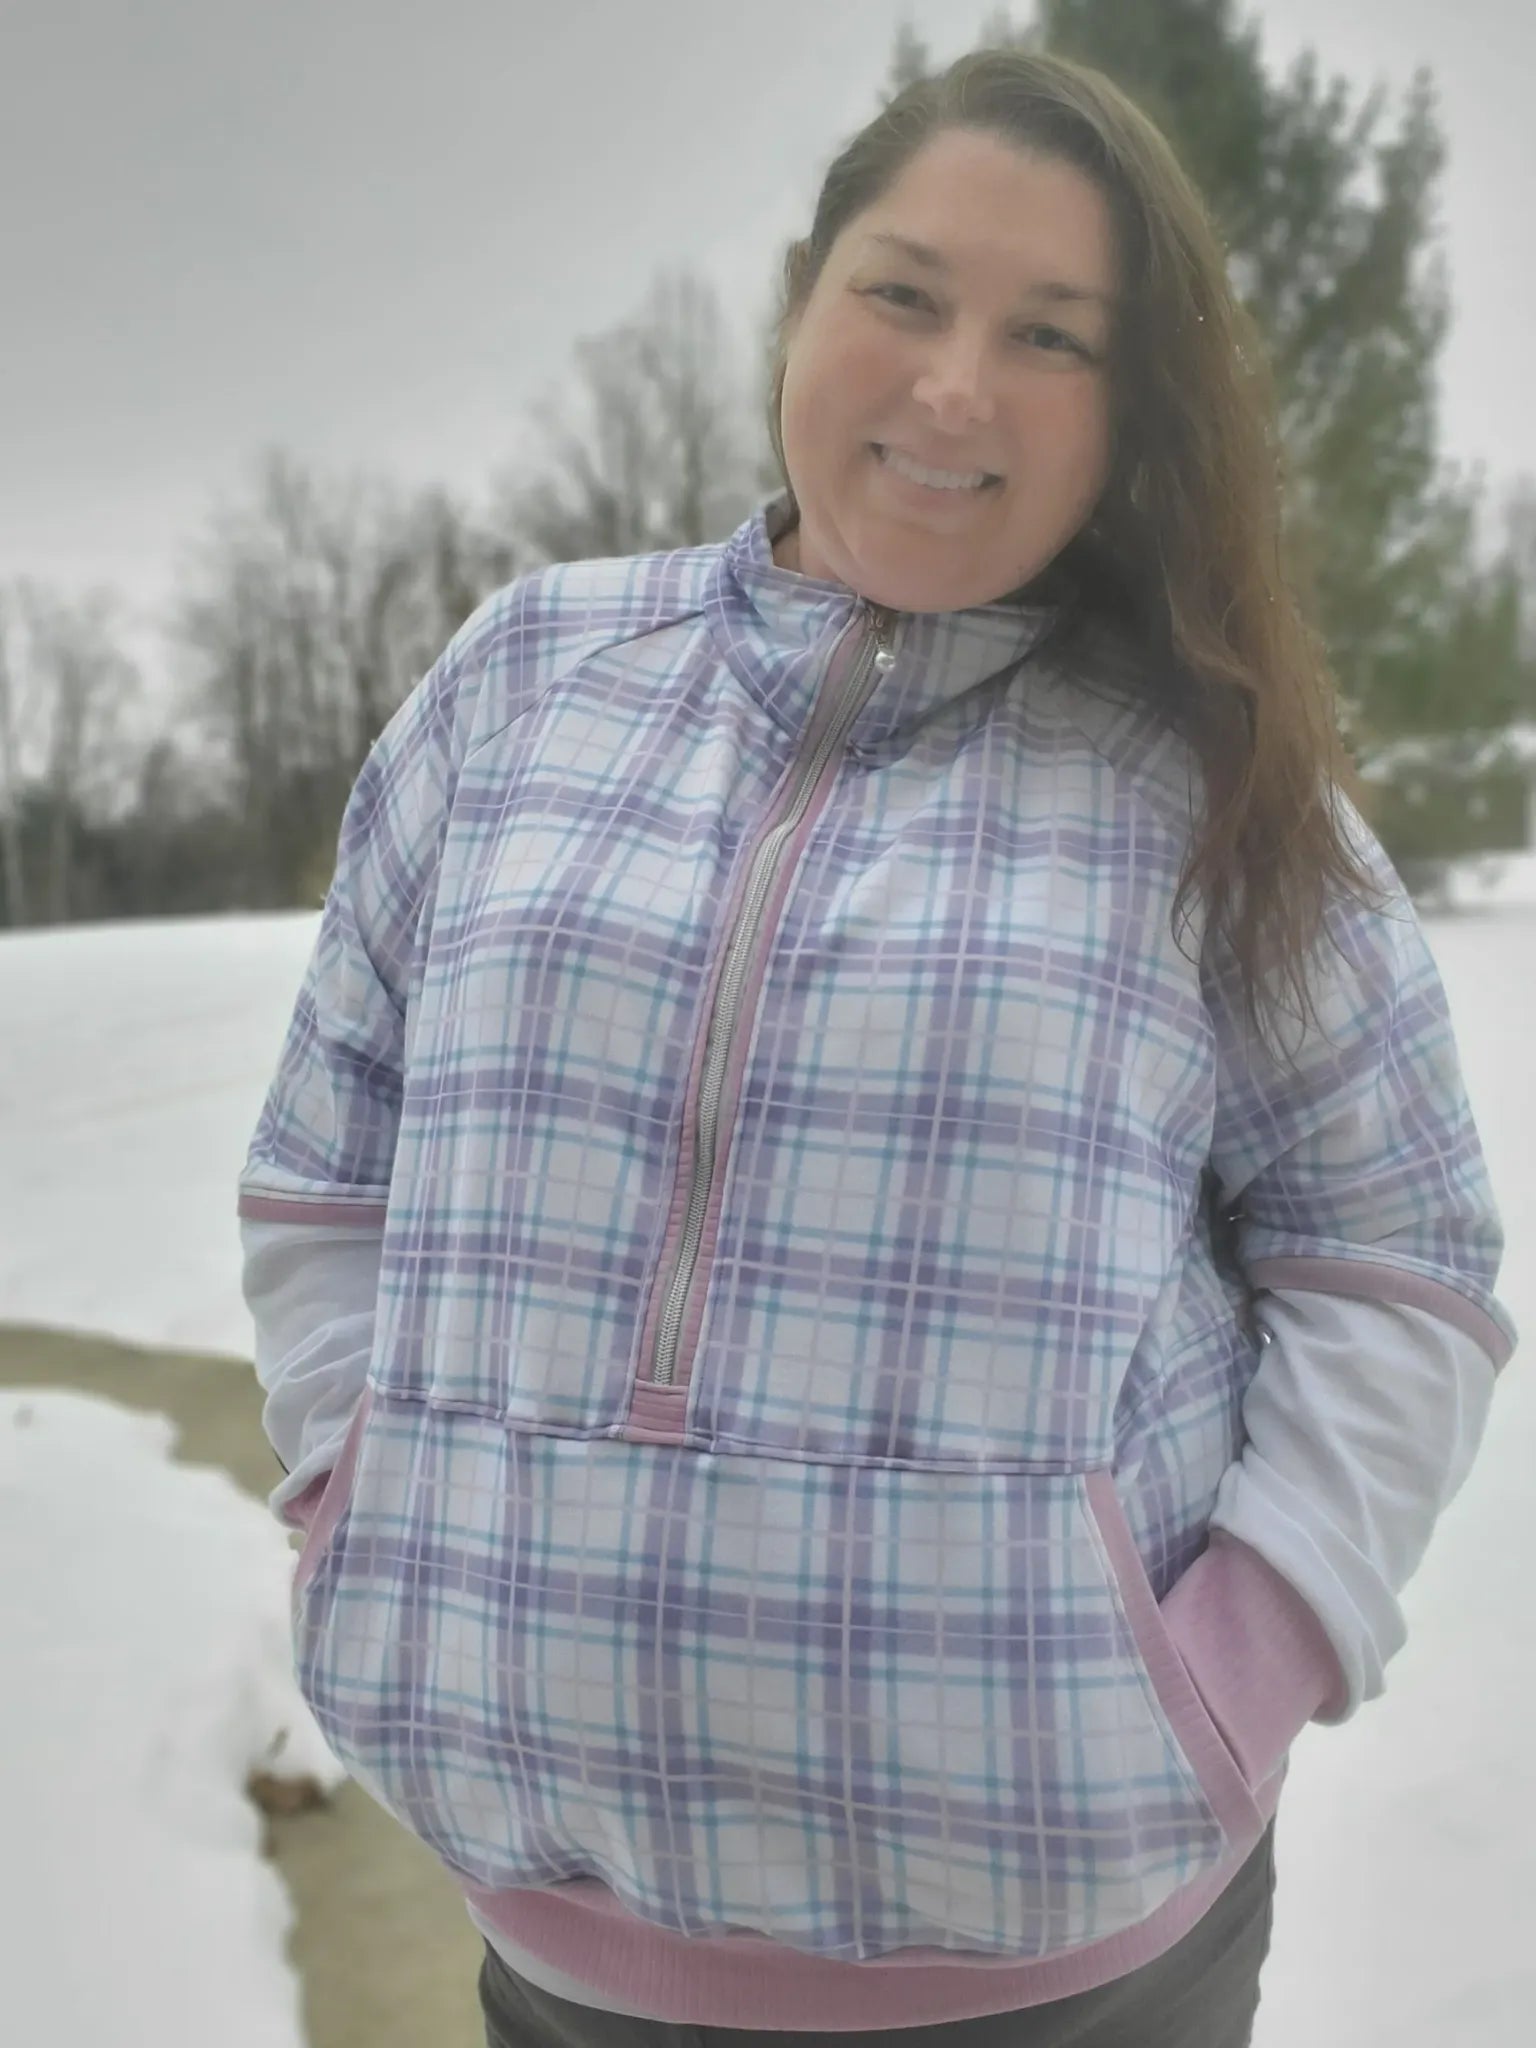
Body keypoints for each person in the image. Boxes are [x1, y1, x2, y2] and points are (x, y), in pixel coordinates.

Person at [240, 45, 1515, 2048]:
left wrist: (1226, 1668)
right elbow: (330, 1164)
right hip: (560, 1942)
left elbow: (1399, 1261)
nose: (955, 386)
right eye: (904, 294)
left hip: (1069, 1971)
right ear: (803, 298)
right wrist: (363, 1501)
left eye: (1053, 336)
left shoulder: (1209, 776)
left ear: (1134, 410)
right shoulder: (528, 684)